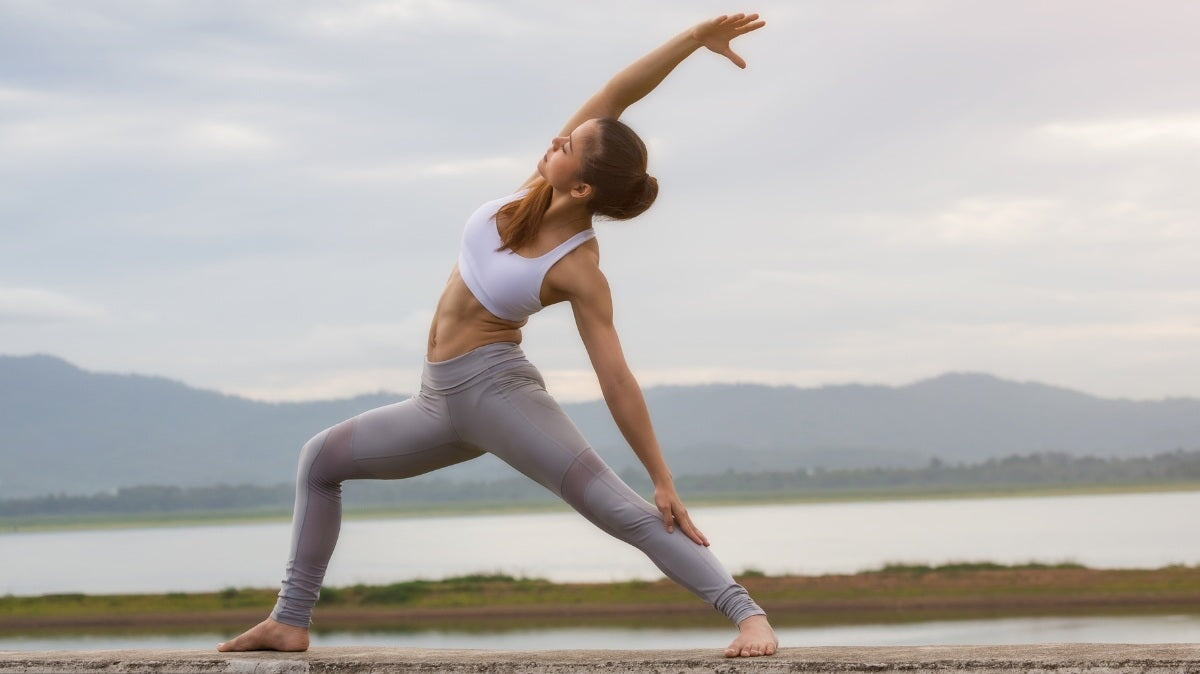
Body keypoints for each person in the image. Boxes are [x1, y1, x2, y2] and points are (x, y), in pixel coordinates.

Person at [217, 12, 777, 659]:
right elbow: (619, 93)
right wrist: (691, 41)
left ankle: (748, 616)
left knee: (620, 511)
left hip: (499, 397)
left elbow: (615, 378)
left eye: (567, 146)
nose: (556, 140)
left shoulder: (578, 268)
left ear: (584, 186)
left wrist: (663, 478)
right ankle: (290, 621)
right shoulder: (534, 192)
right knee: (320, 462)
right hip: (436, 403)